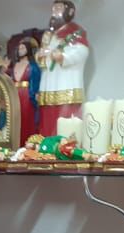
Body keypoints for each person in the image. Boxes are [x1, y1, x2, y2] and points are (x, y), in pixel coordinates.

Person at [36, 1, 89, 135]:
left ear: (69, 12)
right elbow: (42, 55)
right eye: (54, 8)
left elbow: (82, 51)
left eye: (59, 8)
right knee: (48, 122)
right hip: (48, 84)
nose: (55, 12)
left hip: (66, 84)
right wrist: (40, 56)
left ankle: (65, 146)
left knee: (66, 122)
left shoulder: (76, 32)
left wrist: (63, 57)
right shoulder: (48, 34)